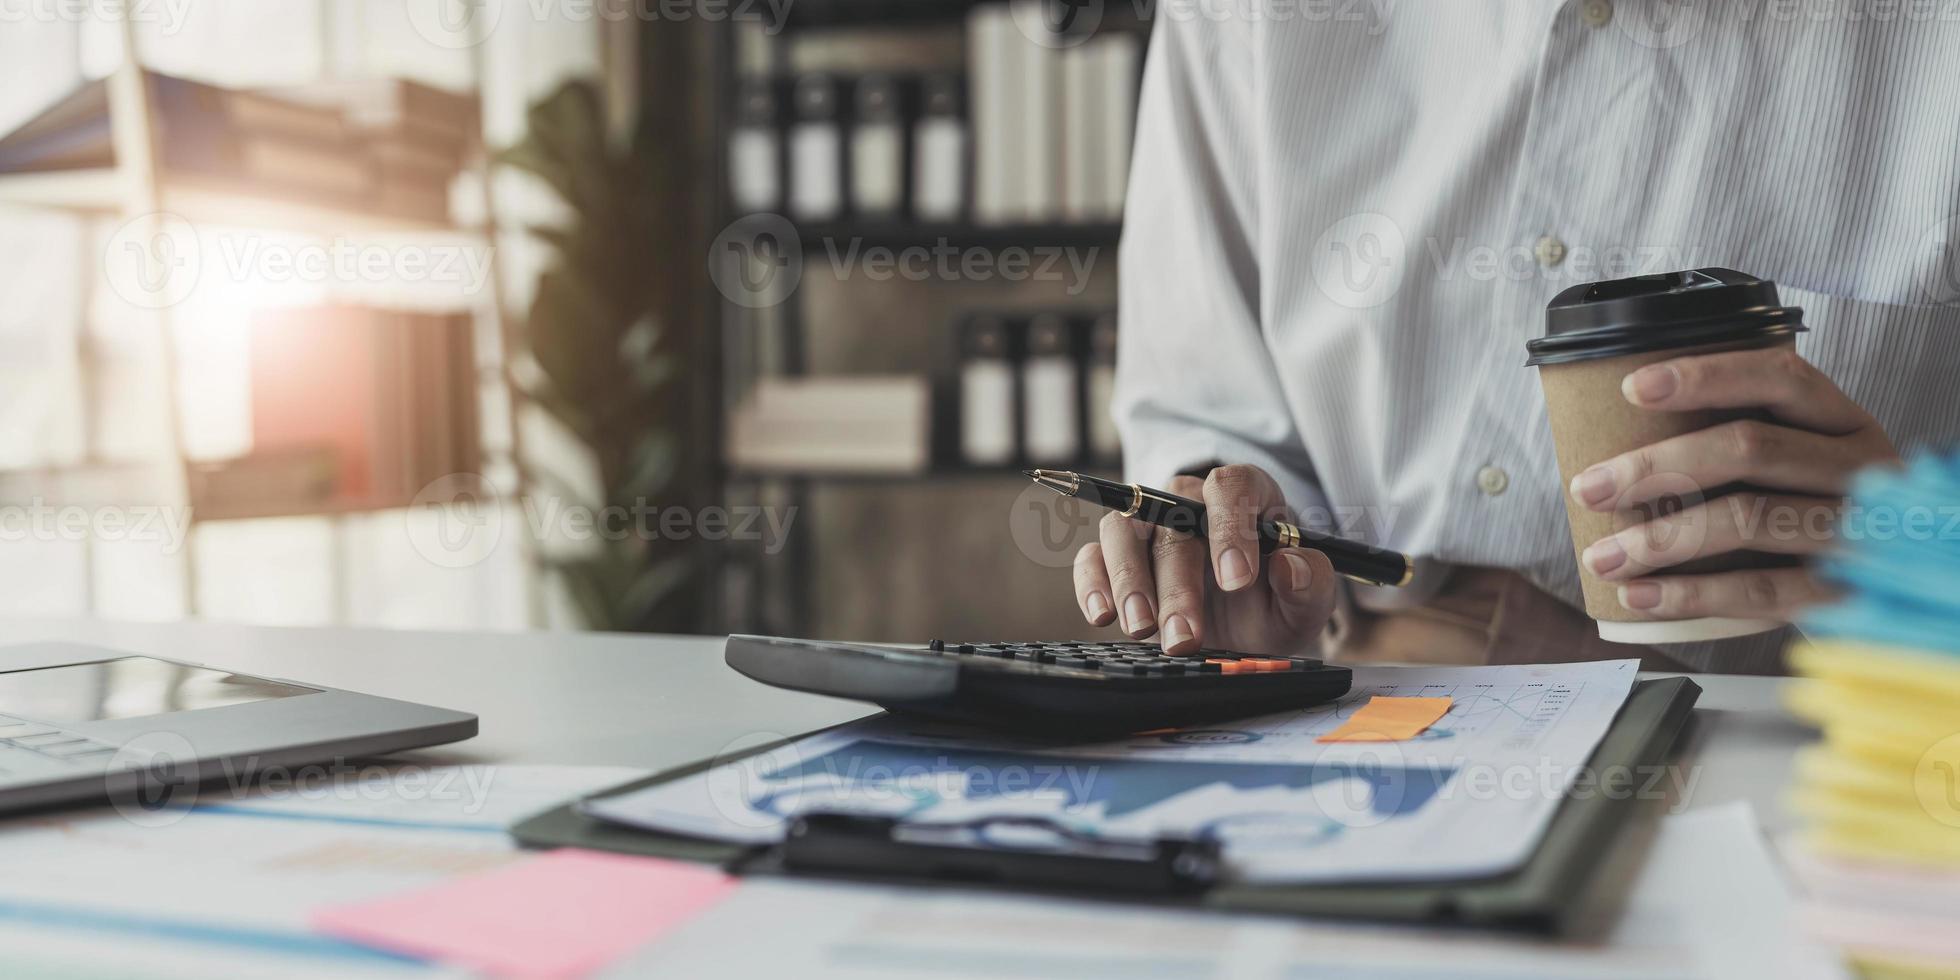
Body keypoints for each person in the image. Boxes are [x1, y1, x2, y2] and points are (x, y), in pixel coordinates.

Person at [1071, 4, 1960, 673]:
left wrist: (1926, 567)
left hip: (1818, 738)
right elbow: (1207, 400)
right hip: (1370, 689)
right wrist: (1233, 560)